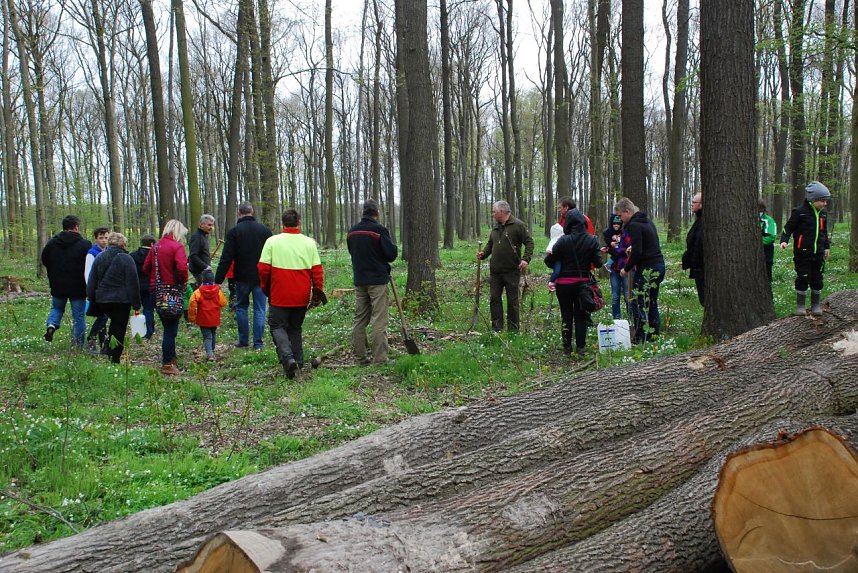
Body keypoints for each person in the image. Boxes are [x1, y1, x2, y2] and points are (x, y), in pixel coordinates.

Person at [257, 209, 324, 379]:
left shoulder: (272, 242)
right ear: (299, 222)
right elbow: (317, 272)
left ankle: (288, 357)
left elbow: (263, 269)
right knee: (295, 328)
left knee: (277, 325)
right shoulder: (309, 243)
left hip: (279, 292)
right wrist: (316, 294)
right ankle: (298, 362)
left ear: (283, 223)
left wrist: (266, 288)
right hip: (301, 294)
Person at [347, 199, 398, 364]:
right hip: (377, 281)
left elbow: (351, 251)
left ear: (363, 212)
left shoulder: (352, 232)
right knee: (379, 319)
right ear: (376, 213)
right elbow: (391, 254)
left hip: (360, 279)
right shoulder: (379, 230)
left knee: (360, 319)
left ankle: (360, 357)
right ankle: (380, 359)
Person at [215, 203, 272, 350]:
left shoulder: (234, 231)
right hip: (260, 276)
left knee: (241, 307)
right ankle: (258, 343)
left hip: (241, 277)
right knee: (260, 309)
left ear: (239, 212)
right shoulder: (265, 231)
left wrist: (218, 280)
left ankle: (243, 340)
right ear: (252, 212)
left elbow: (226, 257)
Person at [544, 215, 602, 356]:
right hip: (582, 284)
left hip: (563, 284)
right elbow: (599, 263)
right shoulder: (592, 240)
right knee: (581, 316)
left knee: (566, 315)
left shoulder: (563, 240)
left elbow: (549, 260)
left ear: (568, 224)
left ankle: (567, 348)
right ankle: (581, 348)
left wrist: (559, 261)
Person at [477, 200, 534, 332]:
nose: (492, 214)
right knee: (494, 299)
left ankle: (513, 329)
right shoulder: (496, 227)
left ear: (502, 211)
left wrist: (526, 259)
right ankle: (497, 328)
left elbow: (529, 242)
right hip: (495, 271)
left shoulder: (518, 225)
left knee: (512, 302)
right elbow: (490, 244)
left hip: (512, 271)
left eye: (494, 211)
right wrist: (483, 254)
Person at [615, 197, 666, 344]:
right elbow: (648, 243)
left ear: (627, 211)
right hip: (659, 265)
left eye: (620, 215)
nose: (619, 219)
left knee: (637, 302)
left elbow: (637, 252)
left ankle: (640, 335)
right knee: (651, 301)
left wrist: (626, 268)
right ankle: (654, 334)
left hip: (647, 268)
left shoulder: (634, 225)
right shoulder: (647, 221)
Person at [86, 232, 141, 363]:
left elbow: (92, 280)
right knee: (118, 328)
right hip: (122, 300)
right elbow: (133, 283)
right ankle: (114, 357)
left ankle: (106, 348)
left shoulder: (99, 257)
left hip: (103, 299)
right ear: (123, 243)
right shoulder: (127, 259)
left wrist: (91, 297)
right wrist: (136, 304)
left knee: (108, 324)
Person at [143, 219, 189, 375]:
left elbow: (146, 267)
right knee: (170, 330)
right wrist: (181, 281)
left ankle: (172, 357)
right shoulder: (177, 246)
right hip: (171, 292)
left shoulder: (155, 247)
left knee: (168, 327)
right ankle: (167, 362)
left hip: (156, 292)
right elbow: (182, 268)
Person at [780, 181, 831, 317]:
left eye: (826, 201)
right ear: (813, 200)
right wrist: (784, 241)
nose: (825, 204)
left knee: (817, 278)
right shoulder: (800, 212)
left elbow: (823, 232)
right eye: (823, 201)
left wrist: (826, 247)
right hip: (802, 253)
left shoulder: (823, 214)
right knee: (803, 277)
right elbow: (788, 228)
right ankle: (800, 306)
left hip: (818, 253)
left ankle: (815, 305)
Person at [41, 215, 92, 346]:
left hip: (58, 284)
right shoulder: (84, 244)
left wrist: (55, 271)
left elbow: (44, 259)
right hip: (78, 286)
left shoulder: (52, 243)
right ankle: (78, 344)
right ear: (76, 227)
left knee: (57, 308)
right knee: (78, 316)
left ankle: (52, 325)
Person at [188, 269, 227, 361]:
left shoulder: (198, 292)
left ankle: (210, 354)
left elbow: (192, 305)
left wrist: (192, 318)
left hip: (203, 319)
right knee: (213, 333)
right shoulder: (218, 291)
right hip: (215, 318)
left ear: (202, 280)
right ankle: (212, 351)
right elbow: (223, 303)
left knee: (207, 336)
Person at [85, 227, 110, 351]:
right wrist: (91, 291)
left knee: (103, 315)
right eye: (101, 238)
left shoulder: (109, 251)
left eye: (106, 238)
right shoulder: (92, 253)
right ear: (96, 239)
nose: (104, 241)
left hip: (107, 289)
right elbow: (88, 274)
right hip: (97, 290)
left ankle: (104, 343)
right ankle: (91, 337)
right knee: (103, 316)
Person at [602, 213, 629, 319]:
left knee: (628, 296)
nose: (616, 226)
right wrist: (611, 249)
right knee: (615, 296)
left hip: (626, 267)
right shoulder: (608, 234)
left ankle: (631, 320)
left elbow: (624, 251)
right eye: (614, 224)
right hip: (614, 269)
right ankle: (616, 320)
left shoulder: (625, 234)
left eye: (618, 224)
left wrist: (610, 250)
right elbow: (615, 250)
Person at [130, 235, 156, 339]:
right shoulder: (154, 255)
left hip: (136, 286)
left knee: (137, 308)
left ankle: (138, 330)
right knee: (148, 309)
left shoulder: (132, 255)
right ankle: (149, 331)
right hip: (149, 286)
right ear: (152, 244)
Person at [681, 193, 705, 305]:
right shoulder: (699, 220)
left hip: (701, 267)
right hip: (698, 266)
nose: (692, 205)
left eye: (694, 202)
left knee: (704, 297)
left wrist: (694, 264)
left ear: (701, 205)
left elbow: (698, 245)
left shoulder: (703, 222)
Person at [188, 214, 215, 288]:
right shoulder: (197, 237)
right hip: (199, 271)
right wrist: (205, 266)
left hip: (203, 270)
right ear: (202, 224)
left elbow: (199, 251)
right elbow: (193, 255)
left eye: (212, 225)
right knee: (203, 291)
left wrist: (207, 255)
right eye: (209, 225)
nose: (211, 228)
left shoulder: (204, 236)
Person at [759, 199, 778, 286]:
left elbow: (770, 237)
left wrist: (756, 243)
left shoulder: (768, 221)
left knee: (766, 278)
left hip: (766, 255)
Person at [546, 221, 564, 292]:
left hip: (559, 259)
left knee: (558, 271)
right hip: (557, 259)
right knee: (557, 271)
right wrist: (550, 251)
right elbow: (549, 249)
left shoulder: (559, 240)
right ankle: (551, 282)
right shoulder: (554, 241)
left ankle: (555, 280)